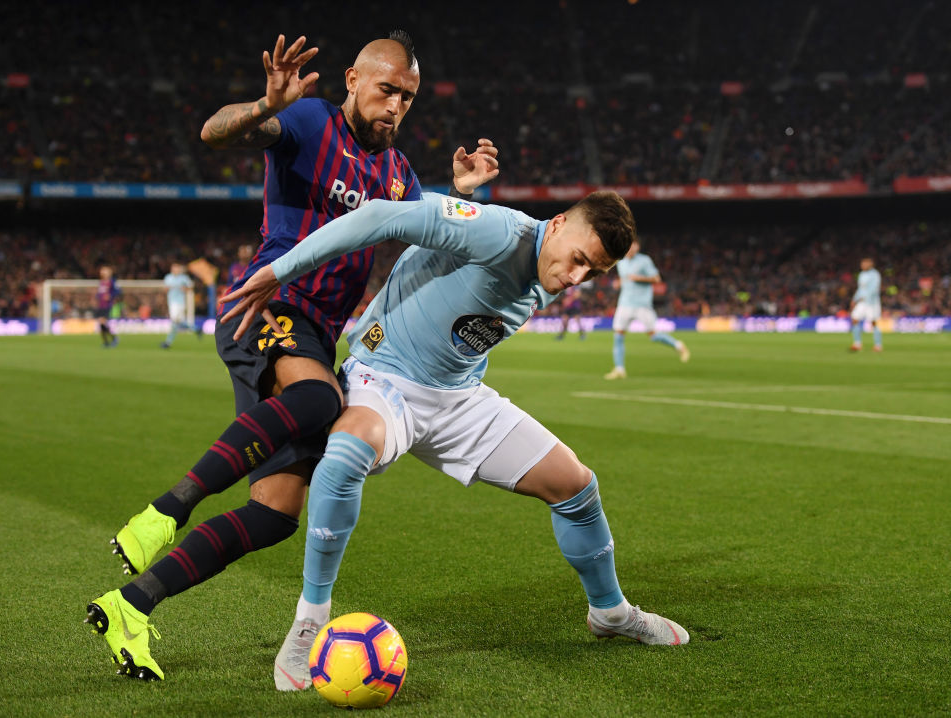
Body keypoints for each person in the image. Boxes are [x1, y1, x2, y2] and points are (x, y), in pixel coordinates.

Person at [84, 31, 499, 682]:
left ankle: (130, 605)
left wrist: (467, 198)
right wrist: (260, 106)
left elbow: (434, 248)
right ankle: (165, 511)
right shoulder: (311, 121)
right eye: (386, 89)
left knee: (275, 514)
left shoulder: (398, 175)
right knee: (317, 400)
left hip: (314, 333)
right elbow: (213, 133)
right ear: (353, 81)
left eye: (408, 97)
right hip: (265, 304)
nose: (396, 106)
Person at [221, 191, 691, 690]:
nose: (577, 279)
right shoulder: (500, 233)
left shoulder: (552, 265)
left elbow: (439, 248)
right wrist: (280, 271)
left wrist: (457, 189)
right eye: (578, 260)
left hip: (458, 397)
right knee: (343, 458)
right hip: (385, 380)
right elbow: (381, 214)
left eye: (593, 273)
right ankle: (310, 621)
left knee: (576, 485)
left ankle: (611, 613)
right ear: (556, 225)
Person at [603, 240, 689, 380]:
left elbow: (657, 279)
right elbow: (624, 279)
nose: (632, 249)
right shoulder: (621, 261)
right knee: (618, 336)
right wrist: (618, 283)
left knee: (653, 335)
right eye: (629, 246)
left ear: (637, 247)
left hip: (642, 305)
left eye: (634, 246)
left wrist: (639, 278)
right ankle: (619, 369)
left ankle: (678, 345)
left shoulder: (644, 260)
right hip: (624, 303)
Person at [160, 262, 203, 349]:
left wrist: (185, 289)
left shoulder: (183, 278)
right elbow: (165, 290)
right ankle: (196, 329)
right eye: (174, 268)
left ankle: (168, 342)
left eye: (177, 268)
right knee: (177, 322)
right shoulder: (168, 277)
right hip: (171, 302)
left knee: (175, 321)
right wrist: (166, 289)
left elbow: (191, 287)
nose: (175, 270)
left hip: (180, 303)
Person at [849, 257, 883, 352]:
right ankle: (857, 344)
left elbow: (874, 288)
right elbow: (860, 288)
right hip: (862, 302)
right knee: (855, 319)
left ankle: (878, 345)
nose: (862, 266)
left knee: (873, 323)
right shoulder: (861, 274)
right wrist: (854, 299)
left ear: (870, 264)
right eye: (862, 264)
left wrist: (866, 297)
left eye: (864, 264)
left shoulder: (875, 275)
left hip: (872, 303)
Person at [95, 265, 120, 348]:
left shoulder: (112, 282)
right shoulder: (101, 282)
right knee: (101, 323)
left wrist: (110, 296)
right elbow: (99, 293)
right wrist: (97, 297)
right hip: (100, 305)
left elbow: (117, 291)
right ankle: (106, 341)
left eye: (104, 271)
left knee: (102, 321)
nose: (102, 272)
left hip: (107, 305)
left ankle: (114, 338)